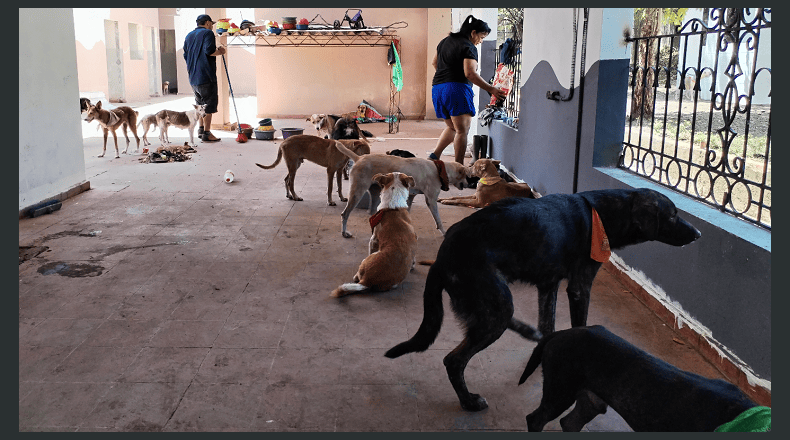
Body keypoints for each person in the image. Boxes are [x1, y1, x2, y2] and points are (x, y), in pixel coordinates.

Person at [430, 15, 507, 164]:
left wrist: (447, 75)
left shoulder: (445, 42)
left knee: (453, 127)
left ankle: (434, 156)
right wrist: (491, 89)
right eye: (482, 36)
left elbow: (435, 63)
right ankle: (459, 170)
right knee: (462, 131)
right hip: (456, 89)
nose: (481, 41)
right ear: (473, 33)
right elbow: (470, 73)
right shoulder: (468, 46)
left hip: (438, 88)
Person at [184, 14, 226, 142]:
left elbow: (185, 55)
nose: (212, 27)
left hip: (193, 77)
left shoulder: (189, 35)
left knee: (200, 104)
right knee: (208, 105)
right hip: (206, 76)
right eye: (212, 24)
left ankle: (201, 130)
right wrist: (221, 51)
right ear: (207, 23)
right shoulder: (208, 33)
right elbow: (209, 50)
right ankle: (207, 133)